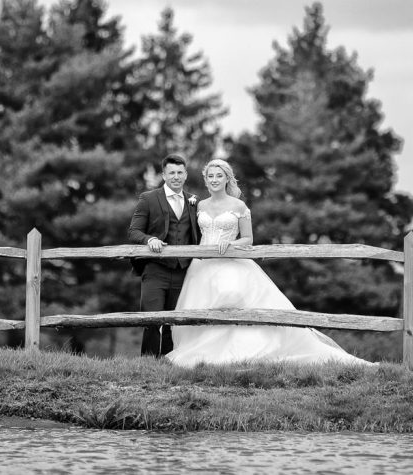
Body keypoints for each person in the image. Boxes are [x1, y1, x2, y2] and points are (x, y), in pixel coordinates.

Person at [166, 159, 374, 367]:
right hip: (202, 266)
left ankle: (238, 353)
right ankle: (206, 355)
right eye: (210, 176)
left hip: (231, 262)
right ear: (205, 179)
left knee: (231, 297)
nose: (214, 180)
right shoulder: (200, 205)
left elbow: (248, 239)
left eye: (219, 176)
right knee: (201, 306)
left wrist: (231, 244)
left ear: (227, 179)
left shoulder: (238, 206)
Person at [127, 153, 203, 357]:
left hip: (183, 271)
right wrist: (149, 239)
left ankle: (170, 362)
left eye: (180, 172)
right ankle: (149, 362)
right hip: (155, 270)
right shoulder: (148, 198)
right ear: (163, 175)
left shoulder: (194, 201)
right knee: (152, 320)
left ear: (186, 175)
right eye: (171, 173)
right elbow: (134, 231)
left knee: (174, 323)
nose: (176, 177)